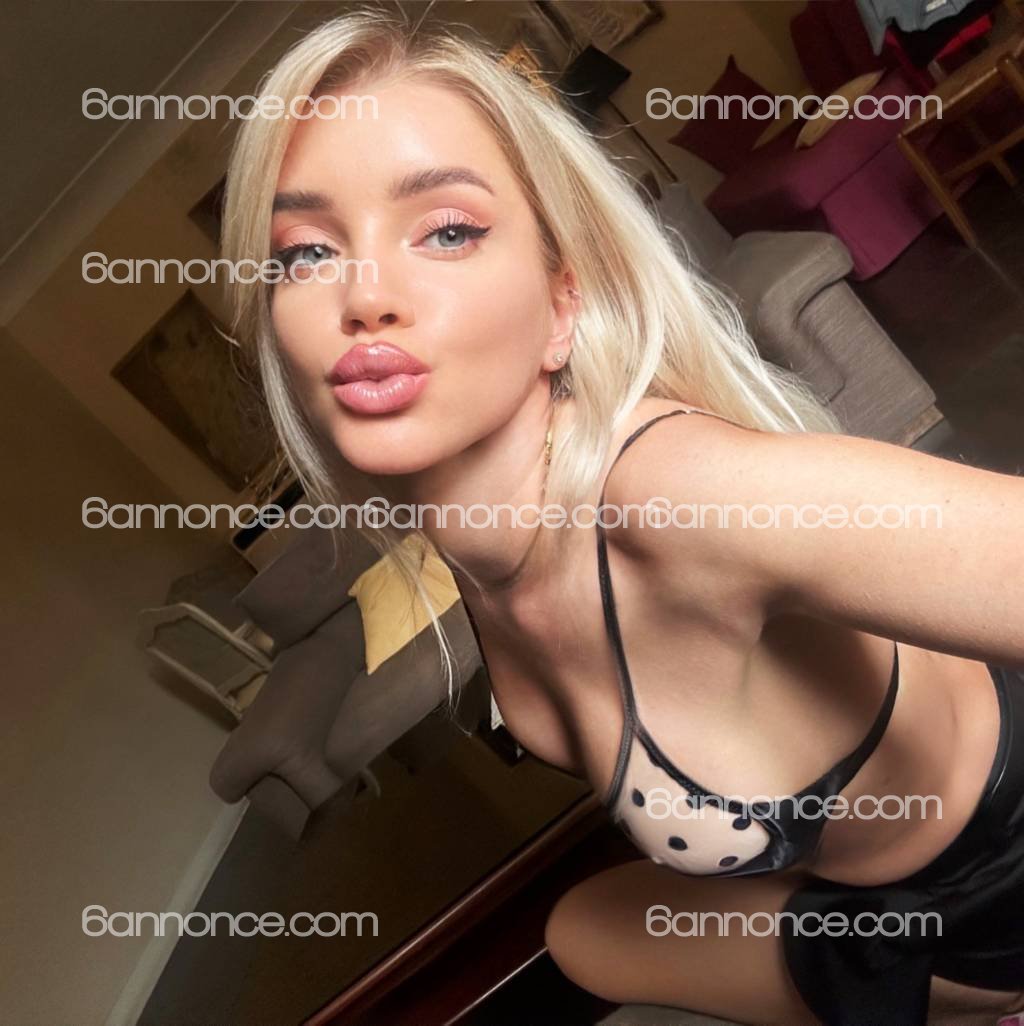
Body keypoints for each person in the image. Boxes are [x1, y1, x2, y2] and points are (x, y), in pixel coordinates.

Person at [220, 7, 1024, 1024]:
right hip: (862, 900)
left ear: (562, 305)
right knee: (582, 933)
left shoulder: (679, 495)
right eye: (303, 252)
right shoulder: (475, 551)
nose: (363, 295)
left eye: (448, 230)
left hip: (994, 901)